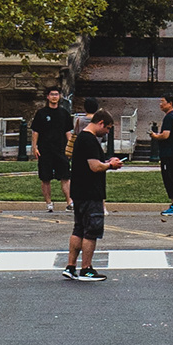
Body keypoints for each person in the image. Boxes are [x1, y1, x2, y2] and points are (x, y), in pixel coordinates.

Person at [66, 109, 118, 280]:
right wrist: (110, 165)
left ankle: (70, 266)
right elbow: (94, 166)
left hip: (79, 191)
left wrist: (106, 162)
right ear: (101, 123)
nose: (108, 132)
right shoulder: (89, 140)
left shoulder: (81, 137)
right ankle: (86, 268)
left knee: (78, 229)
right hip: (90, 192)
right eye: (108, 128)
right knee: (91, 231)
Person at [33, 82, 72, 215]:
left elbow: (68, 132)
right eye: (52, 95)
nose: (55, 97)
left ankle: (69, 202)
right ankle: (49, 203)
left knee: (65, 177)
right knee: (45, 178)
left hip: (61, 150)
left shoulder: (64, 113)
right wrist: (34, 147)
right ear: (47, 97)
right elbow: (35, 131)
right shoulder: (41, 113)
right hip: (45, 150)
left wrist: (71, 146)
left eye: (57, 94)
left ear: (60, 96)